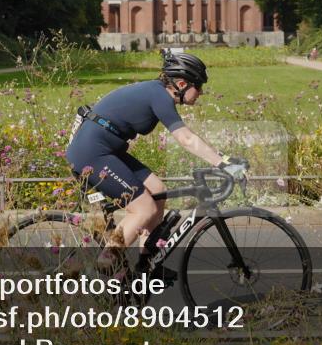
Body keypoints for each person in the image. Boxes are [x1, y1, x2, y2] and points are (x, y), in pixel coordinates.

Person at [65, 52, 248, 273]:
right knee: (143, 209)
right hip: (92, 154)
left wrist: (224, 159)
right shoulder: (160, 96)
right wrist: (222, 164)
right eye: (198, 86)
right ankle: (105, 263)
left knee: (158, 192)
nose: (200, 92)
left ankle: (146, 266)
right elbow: (186, 139)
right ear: (181, 84)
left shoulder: (156, 92)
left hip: (106, 150)